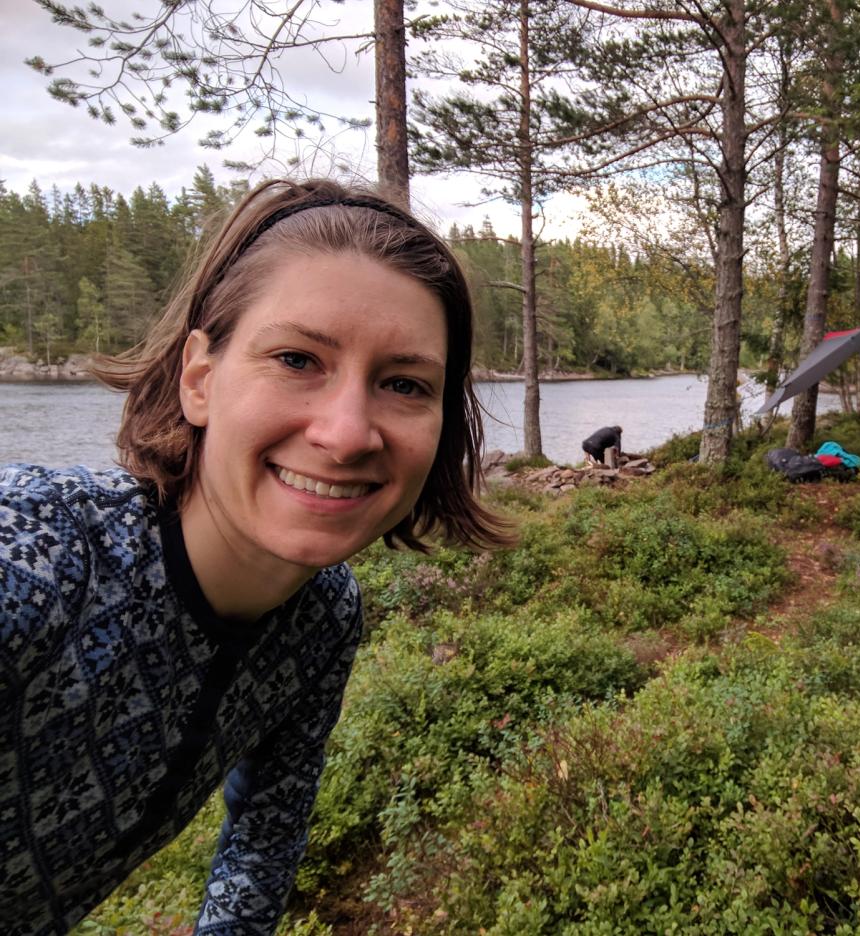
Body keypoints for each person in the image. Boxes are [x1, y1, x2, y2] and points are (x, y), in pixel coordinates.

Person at [0, 178, 510, 934]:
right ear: (200, 377)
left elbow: (264, 840)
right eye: (298, 359)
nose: (346, 434)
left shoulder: (326, 618)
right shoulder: (40, 551)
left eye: (404, 383)